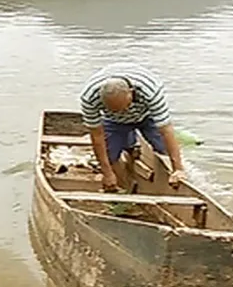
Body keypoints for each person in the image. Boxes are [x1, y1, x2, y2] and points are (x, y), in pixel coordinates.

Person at [79, 63, 187, 192]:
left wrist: (178, 169)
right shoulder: (89, 97)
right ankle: (122, 187)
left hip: (146, 116)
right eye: (114, 109)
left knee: (164, 150)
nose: (121, 112)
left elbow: (166, 130)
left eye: (124, 108)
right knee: (110, 156)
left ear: (131, 93)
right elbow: (97, 136)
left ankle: (132, 144)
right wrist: (107, 173)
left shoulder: (150, 91)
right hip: (113, 122)